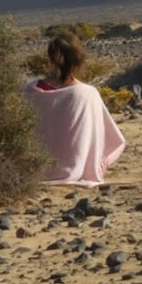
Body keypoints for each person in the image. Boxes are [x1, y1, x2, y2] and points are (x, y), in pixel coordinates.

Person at [22, 35, 127, 187]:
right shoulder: (88, 94)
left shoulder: (30, 91)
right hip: (76, 169)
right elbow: (106, 137)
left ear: (50, 60)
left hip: (33, 169)